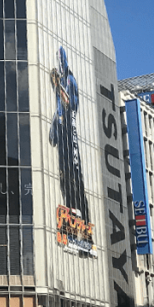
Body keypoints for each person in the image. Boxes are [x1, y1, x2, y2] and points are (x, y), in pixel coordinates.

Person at [48, 46, 89, 221]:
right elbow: (59, 109)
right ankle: (72, 216)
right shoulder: (63, 82)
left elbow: (70, 105)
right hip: (63, 136)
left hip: (69, 136)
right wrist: (54, 128)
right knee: (64, 177)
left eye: (61, 59)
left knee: (74, 178)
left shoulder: (70, 81)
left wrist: (60, 89)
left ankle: (81, 219)